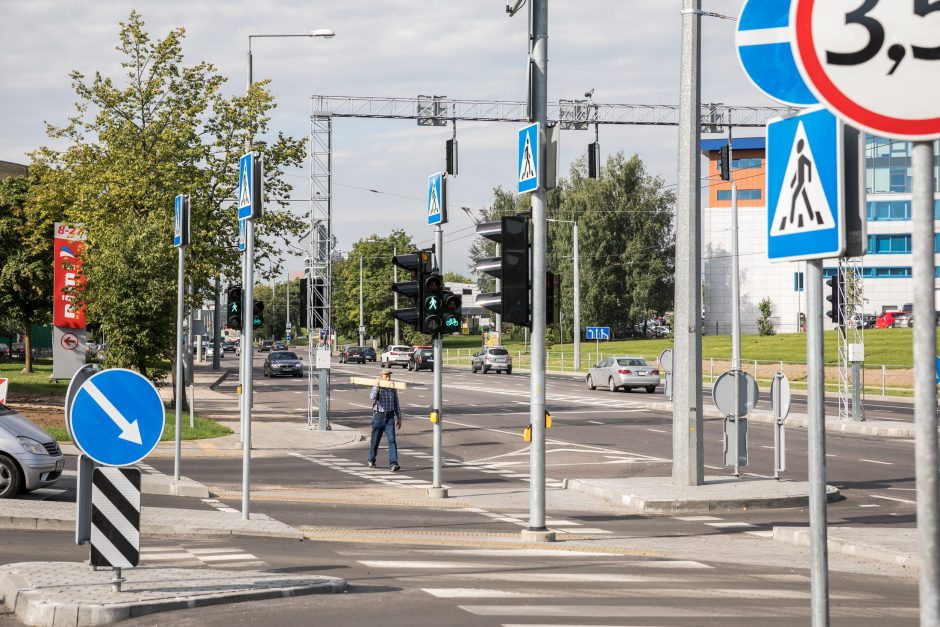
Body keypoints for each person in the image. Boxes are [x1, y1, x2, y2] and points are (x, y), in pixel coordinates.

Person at [368, 368, 401, 471]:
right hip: (378, 416)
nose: (388, 378)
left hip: (389, 417)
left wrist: (399, 417)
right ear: (381, 377)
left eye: (389, 376)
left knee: (392, 440)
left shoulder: (392, 387)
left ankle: (393, 463)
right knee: (375, 440)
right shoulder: (376, 387)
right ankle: (371, 459)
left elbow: (396, 402)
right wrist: (377, 386)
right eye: (386, 376)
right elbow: (372, 397)